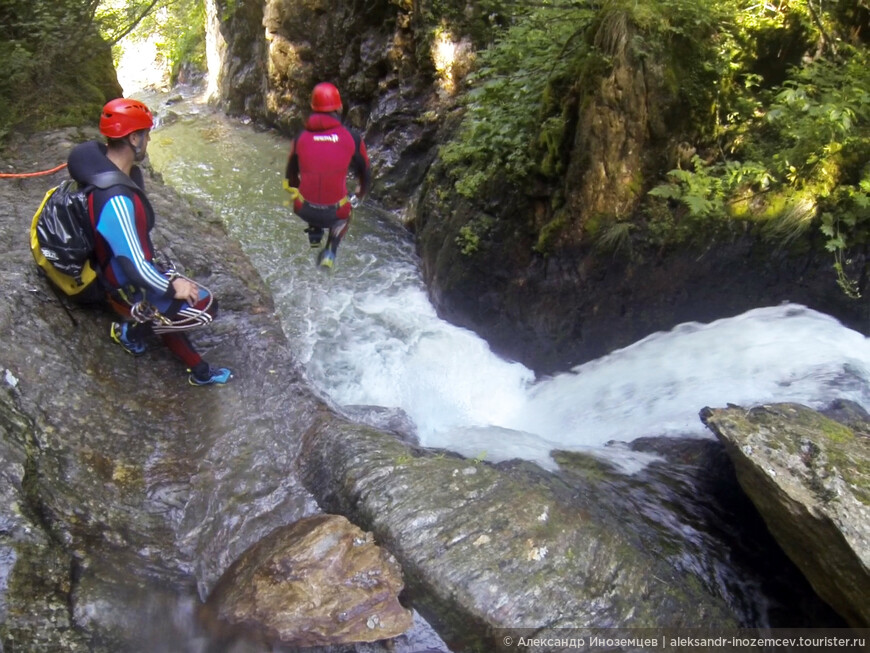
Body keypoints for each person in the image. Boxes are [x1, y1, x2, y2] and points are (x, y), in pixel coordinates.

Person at [66, 97, 232, 386]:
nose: (149, 138)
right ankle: (130, 332)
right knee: (205, 308)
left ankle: (198, 369)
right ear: (133, 138)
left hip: (113, 267)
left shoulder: (102, 170)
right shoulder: (116, 198)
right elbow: (134, 268)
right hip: (123, 284)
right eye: (146, 134)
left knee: (172, 302)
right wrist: (171, 286)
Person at [283, 82, 371, 268]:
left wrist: (302, 191)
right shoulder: (352, 138)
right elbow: (365, 174)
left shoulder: (300, 138)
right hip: (336, 212)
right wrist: (359, 194)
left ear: (313, 108)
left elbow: (290, 177)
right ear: (339, 107)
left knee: (306, 192)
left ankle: (314, 230)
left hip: (303, 209)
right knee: (346, 211)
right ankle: (330, 250)